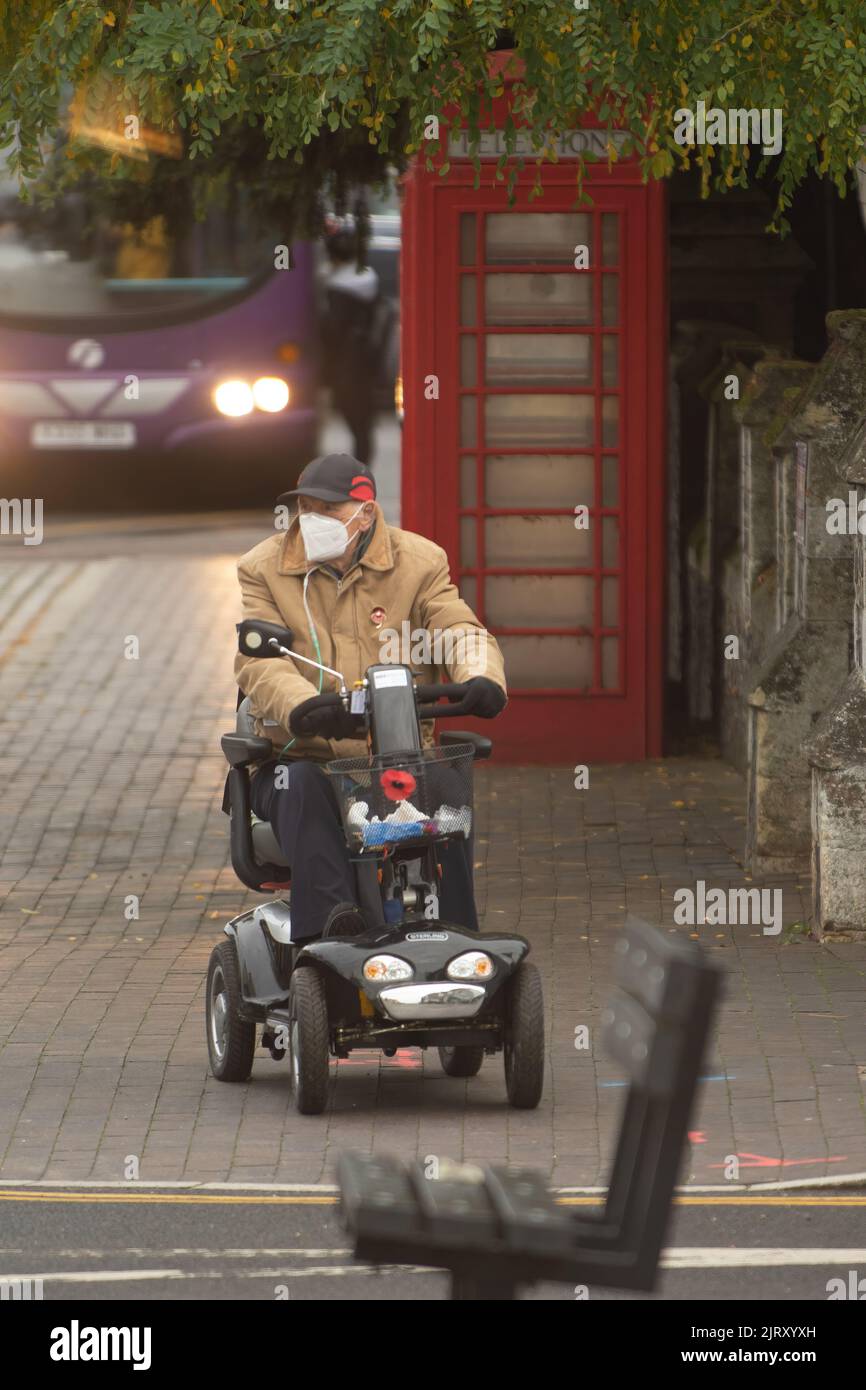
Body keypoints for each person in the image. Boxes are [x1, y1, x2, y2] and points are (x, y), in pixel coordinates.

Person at [233, 452, 507, 941]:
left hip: (398, 758)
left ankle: (459, 940)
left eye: (328, 510)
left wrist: (481, 677)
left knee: (447, 789)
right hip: (304, 757)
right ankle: (333, 935)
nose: (311, 521)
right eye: (305, 509)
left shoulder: (420, 561)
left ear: (365, 512)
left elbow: (458, 630)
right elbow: (260, 661)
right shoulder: (263, 568)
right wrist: (302, 707)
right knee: (300, 785)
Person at [319, 225, 380, 466]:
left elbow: (333, 332)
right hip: (365, 363)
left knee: (356, 420)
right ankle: (362, 468)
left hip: (347, 367)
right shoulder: (366, 279)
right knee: (362, 424)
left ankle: (360, 471)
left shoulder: (339, 288)